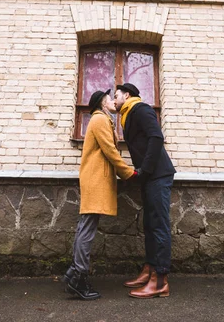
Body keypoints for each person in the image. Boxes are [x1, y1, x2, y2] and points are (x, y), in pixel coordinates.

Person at [63, 89, 136, 300]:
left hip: (94, 179)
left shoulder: (101, 120)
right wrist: (127, 172)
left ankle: (73, 273)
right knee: (87, 230)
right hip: (96, 180)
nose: (113, 100)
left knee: (84, 227)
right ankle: (79, 277)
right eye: (109, 98)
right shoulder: (100, 120)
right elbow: (110, 151)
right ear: (102, 103)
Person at [114, 83, 176, 299]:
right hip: (150, 177)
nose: (114, 100)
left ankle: (160, 281)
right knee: (149, 225)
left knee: (158, 225)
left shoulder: (140, 109)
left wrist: (145, 170)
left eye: (116, 96)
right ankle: (149, 269)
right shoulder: (127, 115)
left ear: (127, 95)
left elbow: (156, 137)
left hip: (157, 174)